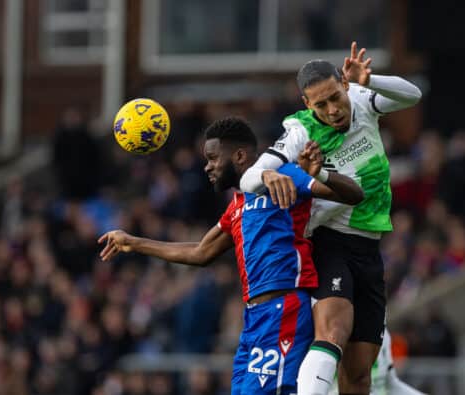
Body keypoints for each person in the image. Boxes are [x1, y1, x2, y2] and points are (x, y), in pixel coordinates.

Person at [98, 117, 364, 395]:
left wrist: (319, 175)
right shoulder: (237, 206)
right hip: (254, 320)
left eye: (213, 158)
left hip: (283, 310)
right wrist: (134, 242)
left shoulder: (283, 176)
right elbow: (201, 251)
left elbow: (352, 194)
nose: (207, 166)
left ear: (239, 155)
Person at [239, 42, 422, 395]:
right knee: (334, 331)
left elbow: (411, 95)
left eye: (335, 97)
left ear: (344, 84)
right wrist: (267, 175)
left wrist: (370, 79)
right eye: (320, 104)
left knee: (359, 373)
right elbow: (249, 177)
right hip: (328, 242)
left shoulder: (363, 100)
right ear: (308, 105)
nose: (333, 110)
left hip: (369, 249)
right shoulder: (301, 131)